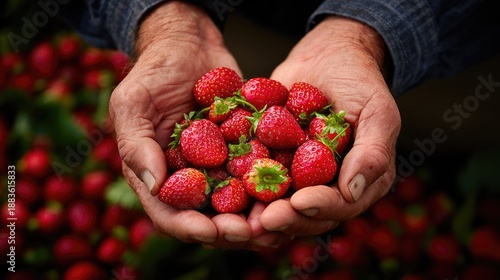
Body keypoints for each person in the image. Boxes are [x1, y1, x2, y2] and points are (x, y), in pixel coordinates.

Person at [59, 0, 500, 250]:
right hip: (238, 25)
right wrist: (168, 20)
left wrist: (367, 32)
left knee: (424, 127)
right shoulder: (237, 118)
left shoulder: (249, 128)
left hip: (437, 42)